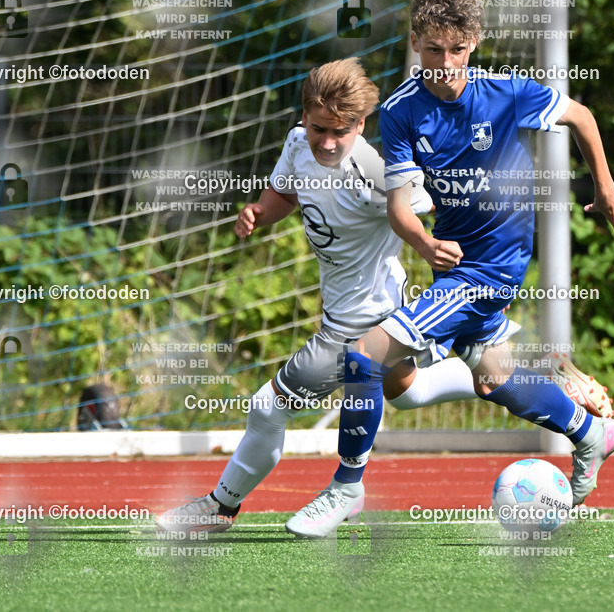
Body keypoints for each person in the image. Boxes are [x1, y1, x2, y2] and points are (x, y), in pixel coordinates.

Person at [285, 0, 614, 538]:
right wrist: (424, 244)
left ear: (473, 44)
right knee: (494, 378)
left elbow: (581, 115)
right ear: (415, 44)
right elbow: (401, 208)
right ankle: (588, 433)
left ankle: (345, 488)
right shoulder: (402, 112)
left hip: (494, 266)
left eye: (455, 49)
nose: (443, 63)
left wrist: (606, 185)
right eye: (431, 50)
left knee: (362, 358)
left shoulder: (507, 92)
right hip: (450, 259)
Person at [155, 58, 481, 533]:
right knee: (405, 392)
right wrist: (259, 213)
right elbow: (285, 194)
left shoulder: (377, 171)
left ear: (361, 125)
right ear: (304, 116)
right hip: (364, 312)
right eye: (318, 128)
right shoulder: (296, 144)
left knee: (268, 406)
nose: (327, 142)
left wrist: (450, 256)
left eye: (340, 131)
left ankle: (220, 508)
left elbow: (439, 211)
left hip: (360, 327)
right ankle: (508, 377)